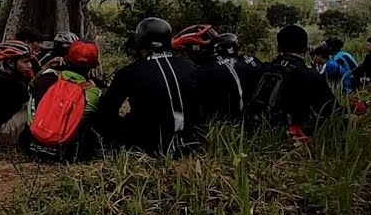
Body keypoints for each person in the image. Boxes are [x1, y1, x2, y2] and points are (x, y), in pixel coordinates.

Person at [95, 17, 201, 156]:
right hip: (191, 142)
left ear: (140, 41)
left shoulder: (129, 73)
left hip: (149, 147)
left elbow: (107, 112)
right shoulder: (189, 66)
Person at [251, 25, 336, 144]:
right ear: (306, 49)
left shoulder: (262, 69)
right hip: (293, 138)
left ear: (278, 47)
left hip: (256, 134)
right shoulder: (311, 76)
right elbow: (333, 111)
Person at [24, 39, 104, 161]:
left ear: (66, 58)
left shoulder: (47, 76)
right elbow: (83, 121)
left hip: (31, 140)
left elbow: (30, 89)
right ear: (94, 65)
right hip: (67, 152)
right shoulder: (93, 92)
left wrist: (45, 67)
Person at [172, 24, 245, 123]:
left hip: (217, 126)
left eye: (184, 54)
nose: (183, 58)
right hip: (233, 120)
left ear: (196, 52)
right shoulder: (219, 62)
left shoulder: (204, 73)